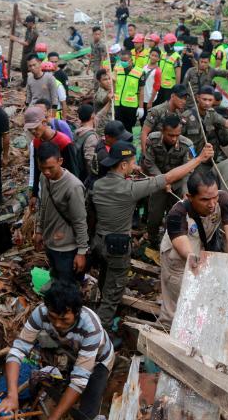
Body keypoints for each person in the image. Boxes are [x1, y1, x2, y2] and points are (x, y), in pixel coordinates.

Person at [89, 140, 215, 331]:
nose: (135, 166)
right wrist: (198, 159)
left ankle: (97, 308)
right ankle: (100, 331)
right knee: (114, 290)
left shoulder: (98, 185)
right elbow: (169, 177)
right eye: (132, 163)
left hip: (98, 243)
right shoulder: (129, 189)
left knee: (105, 279)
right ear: (123, 165)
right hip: (117, 247)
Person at [0, 281, 114, 420]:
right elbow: (17, 350)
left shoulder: (91, 328)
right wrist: (12, 396)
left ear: (76, 312)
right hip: (74, 353)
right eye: (53, 317)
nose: (57, 324)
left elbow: (79, 380)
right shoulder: (41, 312)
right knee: (68, 388)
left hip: (100, 360)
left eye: (64, 319)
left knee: (87, 409)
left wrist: (53, 418)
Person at [158, 171, 228, 326]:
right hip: (177, 256)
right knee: (174, 305)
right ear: (190, 197)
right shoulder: (177, 213)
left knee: (198, 297)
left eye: (214, 197)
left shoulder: (225, 201)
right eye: (205, 199)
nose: (212, 204)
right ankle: (166, 332)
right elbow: (180, 242)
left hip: (199, 250)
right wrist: (192, 258)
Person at [34, 143, 89, 283]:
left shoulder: (73, 187)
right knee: (56, 278)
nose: (46, 172)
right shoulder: (44, 178)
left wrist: (81, 252)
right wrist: (39, 231)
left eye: (50, 168)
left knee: (68, 286)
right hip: (50, 242)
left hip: (67, 248)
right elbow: (43, 206)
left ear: (60, 161)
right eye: (42, 168)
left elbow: (80, 221)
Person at [143, 114, 193, 247]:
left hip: (177, 186)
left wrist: (185, 191)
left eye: (177, 135)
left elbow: (188, 170)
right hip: (158, 184)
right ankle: (152, 240)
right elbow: (149, 162)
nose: (174, 139)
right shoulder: (152, 140)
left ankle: (169, 243)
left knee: (174, 217)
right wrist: (162, 181)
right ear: (162, 131)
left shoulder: (187, 145)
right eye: (170, 135)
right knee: (154, 216)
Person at [182, 86, 228, 167]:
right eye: (204, 99)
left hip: (203, 157)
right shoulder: (187, 117)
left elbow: (227, 123)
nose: (207, 103)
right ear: (198, 98)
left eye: (210, 100)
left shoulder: (211, 113)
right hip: (189, 159)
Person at [25, 106, 79, 209]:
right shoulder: (36, 142)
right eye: (30, 129)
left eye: (36, 128)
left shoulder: (64, 142)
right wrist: (34, 193)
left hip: (64, 187)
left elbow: (73, 171)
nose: (33, 132)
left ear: (44, 122)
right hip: (47, 187)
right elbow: (37, 168)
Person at [141, 83, 188, 154]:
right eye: (181, 98)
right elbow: (144, 133)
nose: (183, 101)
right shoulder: (157, 111)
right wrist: (145, 154)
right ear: (172, 96)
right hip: (153, 150)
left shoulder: (179, 114)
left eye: (185, 99)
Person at [112, 50, 145, 133]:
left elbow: (141, 90)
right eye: (121, 60)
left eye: (125, 60)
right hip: (118, 104)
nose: (123, 62)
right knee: (117, 129)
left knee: (128, 129)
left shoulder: (140, 72)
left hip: (131, 107)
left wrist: (141, 107)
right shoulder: (117, 69)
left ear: (131, 60)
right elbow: (113, 86)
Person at [74, 104, 100, 183]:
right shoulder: (91, 137)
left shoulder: (77, 131)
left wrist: (109, 103)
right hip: (86, 179)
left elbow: (100, 116)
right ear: (92, 115)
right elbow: (90, 161)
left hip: (77, 175)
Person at [11, 15, 39, 87]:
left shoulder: (34, 32)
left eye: (28, 23)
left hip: (30, 52)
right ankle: (25, 81)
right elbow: (21, 22)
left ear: (32, 23)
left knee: (30, 67)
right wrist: (17, 13)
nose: (26, 24)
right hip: (26, 52)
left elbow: (26, 43)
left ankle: (31, 82)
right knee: (23, 67)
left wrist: (15, 39)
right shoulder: (29, 27)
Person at [155, 33, 182, 105]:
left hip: (170, 88)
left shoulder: (176, 57)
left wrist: (176, 90)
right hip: (159, 85)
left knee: (166, 106)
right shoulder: (163, 54)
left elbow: (178, 75)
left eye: (166, 44)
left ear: (171, 45)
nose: (164, 45)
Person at [142, 48, 162, 121]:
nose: (153, 57)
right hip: (142, 97)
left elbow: (156, 87)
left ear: (159, 59)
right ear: (149, 55)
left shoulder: (158, 71)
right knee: (141, 118)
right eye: (152, 55)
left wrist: (150, 102)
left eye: (156, 56)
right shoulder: (144, 67)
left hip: (150, 99)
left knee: (148, 119)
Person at [93, 69, 113, 136]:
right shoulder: (99, 93)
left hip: (110, 124)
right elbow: (105, 99)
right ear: (99, 81)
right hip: (102, 129)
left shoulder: (109, 90)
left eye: (109, 79)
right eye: (105, 80)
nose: (108, 81)